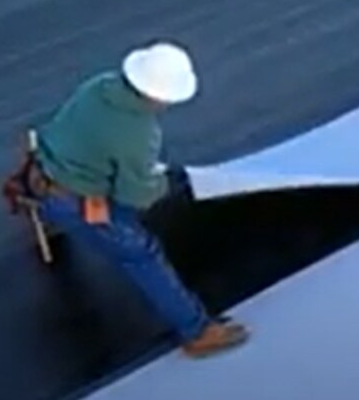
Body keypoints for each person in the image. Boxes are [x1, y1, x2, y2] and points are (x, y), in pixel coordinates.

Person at [18, 41, 248, 357]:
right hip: (75, 200)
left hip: (40, 175)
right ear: (159, 94)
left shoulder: (98, 86)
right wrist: (161, 184)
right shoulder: (139, 134)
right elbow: (135, 194)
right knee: (142, 254)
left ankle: (52, 217)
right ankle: (197, 332)